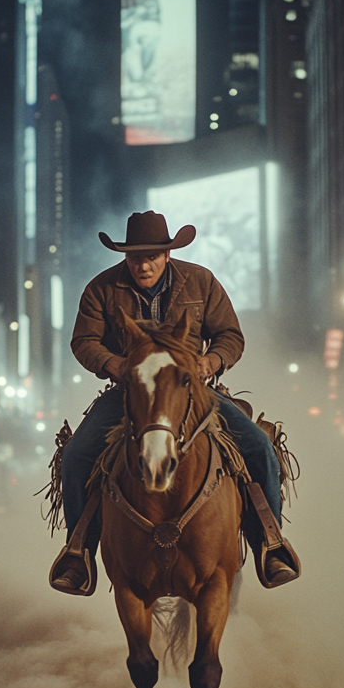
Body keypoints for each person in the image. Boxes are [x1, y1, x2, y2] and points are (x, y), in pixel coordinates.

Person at [49, 210, 301, 594]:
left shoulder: (201, 282)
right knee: (76, 455)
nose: (143, 264)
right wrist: (115, 364)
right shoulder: (101, 288)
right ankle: (78, 551)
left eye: (151, 256)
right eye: (135, 257)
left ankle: (269, 541)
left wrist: (210, 362)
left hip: (192, 391)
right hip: (131, 392)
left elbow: (230, 335)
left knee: (258, 446)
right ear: (125, 257)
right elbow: (84, 341)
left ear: (167, 254)